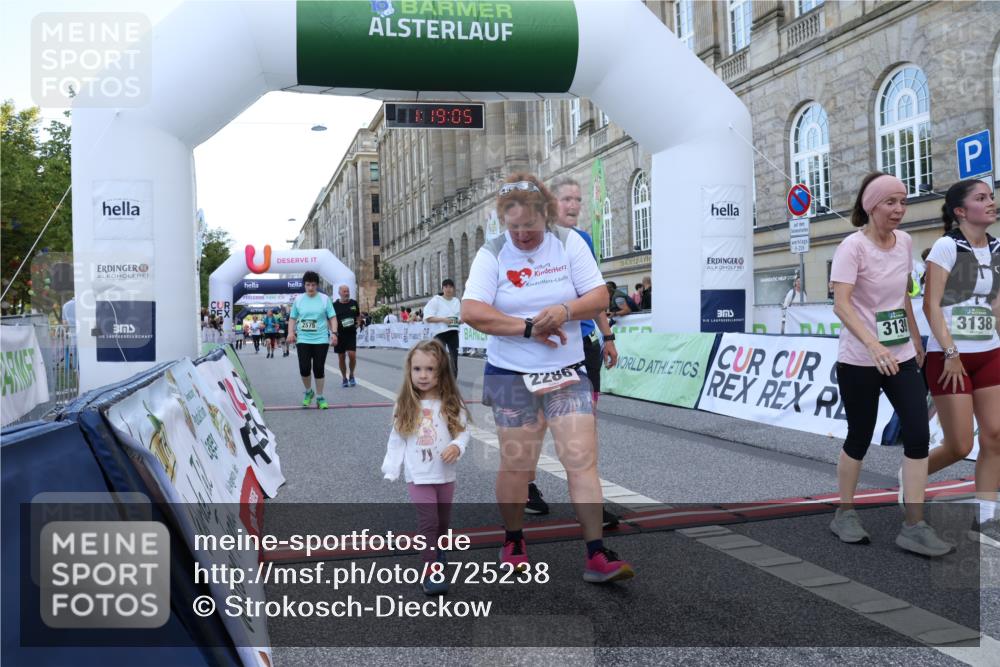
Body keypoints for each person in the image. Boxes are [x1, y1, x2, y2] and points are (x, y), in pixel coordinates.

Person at [462, 172, 634, 583]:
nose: (522, 235)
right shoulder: (492, 253)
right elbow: (471, 311)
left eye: (531, 227)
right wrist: (528, 327)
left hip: (566, 370)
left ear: (547, 215)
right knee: (518, 465)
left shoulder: (568, 243)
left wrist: (564, 311)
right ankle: (514, 538)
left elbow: (599, 296)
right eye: (514, 227)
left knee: (581, 460)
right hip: (510, 373)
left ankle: (596, 554)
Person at [829, 172, 952, 557]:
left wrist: (916, 338)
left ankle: (914, 525)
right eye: (890, 202)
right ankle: (845, 512)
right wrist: (873, 345)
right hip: (860, 358)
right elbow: (841, 304)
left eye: (903, 201)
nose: (899, 210)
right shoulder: (852, 248)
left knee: (917, 433)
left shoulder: (905, 242)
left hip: (899, 355)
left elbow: (901, 296)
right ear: (871, 206)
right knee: (860, 435)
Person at [922, 179, 999, 542]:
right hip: (949, 356)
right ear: (960, 211)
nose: (991, 202)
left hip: (989, 352)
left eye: (991, 197)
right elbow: (930, 304)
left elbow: (996, 304)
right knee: (959, 446)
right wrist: (951, 353)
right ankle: (911, 478)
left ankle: (984, 520)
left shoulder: (998, 247)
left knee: (996, 435)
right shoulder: (946, 246)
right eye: (981, 198)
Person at [540, 176, 620, 525]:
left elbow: (595, 293)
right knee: (536, 422)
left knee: (585, 426)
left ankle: (592, 504)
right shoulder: (534, 239)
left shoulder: (583, 239)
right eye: (565, 199)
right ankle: (525, 484)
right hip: (546, 346)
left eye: (577, 199)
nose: (573, 205)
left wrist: (607, 336)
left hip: (583, 345)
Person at [381, 340, 470, 595]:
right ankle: (430, 568)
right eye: (417, 369)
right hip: (418, 475)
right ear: (409, 371)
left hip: (445, 474)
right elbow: (396, 439)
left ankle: (438, 548)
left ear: (442, 371)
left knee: (443, 521)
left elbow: (463, 433)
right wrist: (392, 468)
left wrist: (456, 446)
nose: (423, 375)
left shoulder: (452, 403)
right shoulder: (405, 404)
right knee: (428, 521)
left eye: (430, 369)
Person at [287, 271, 336, 410]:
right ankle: (309, 392)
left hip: (320, 339)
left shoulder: (325, 299)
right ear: (304, 285)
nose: (310, 288)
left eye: (313, 285)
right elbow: (292, 318)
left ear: (317, 285)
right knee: (304, 368)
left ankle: (320, 397)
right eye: (307, 285)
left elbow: (332, 317)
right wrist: (291, 332)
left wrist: (334, 333)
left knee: (319, 368)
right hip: (303, 338)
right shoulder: (298, 299)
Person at [424, 278, 463, 378]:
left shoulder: (456, 301)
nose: (448, 289)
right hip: (440, 333)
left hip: (453, 332)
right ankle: (438, 380)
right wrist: (443, 320)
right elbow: (428, 318)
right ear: (442, 288)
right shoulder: (436, 300)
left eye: (451, 287)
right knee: (439, 359)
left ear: (454, 289)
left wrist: (460, 320)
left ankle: (453, 383)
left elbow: (460, 317)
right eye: (446, 287)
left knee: (454, 359)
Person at [333, 284, 360, 387]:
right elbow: (330, 319)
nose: (347, 293)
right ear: (339, 293)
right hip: (339, 334)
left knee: (352, 355)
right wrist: (333, 331)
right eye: (344, 291)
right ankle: (344, 378)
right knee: (341, 357)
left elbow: (358, 315)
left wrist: (357, 323)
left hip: (351, 333)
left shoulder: (354, 303)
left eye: (347, 291)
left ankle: (352, 375)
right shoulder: (334, 305)